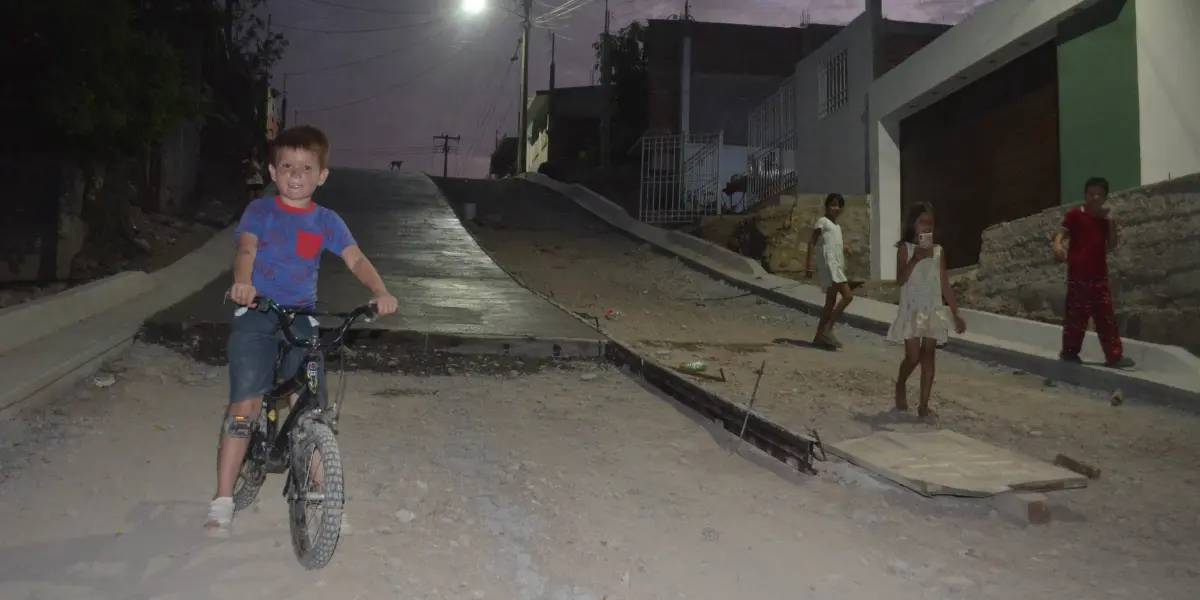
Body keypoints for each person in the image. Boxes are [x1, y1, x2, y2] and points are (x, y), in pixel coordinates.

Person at [205, 125, 399, 537]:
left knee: (312, 406)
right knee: (245, 407)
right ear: (273, 171)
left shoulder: (327, 221)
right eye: (288, 166)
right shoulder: (260, 212)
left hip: (300, 315)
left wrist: (379, 290)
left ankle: (323, 496)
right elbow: (246, 250)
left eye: (306, 168)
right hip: (257, 310)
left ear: (322, 175)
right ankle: (222, 498)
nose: (296, 175)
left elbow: (355, 258)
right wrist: (244, 282)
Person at [887, 202, 966, 422]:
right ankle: (901, 383)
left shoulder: (939, 251)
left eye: (930, 223)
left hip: (932, 309)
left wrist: (955, 312)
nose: (927, 227)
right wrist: (915, 259)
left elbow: (944, 283)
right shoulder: (905, 249)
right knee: (913, 357)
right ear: (912, 224)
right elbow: (899, 281)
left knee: (929, 355)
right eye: (922, 222)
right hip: (912, 310)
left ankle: (923, 406)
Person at [1053, 177, 1134, 368]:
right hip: (1078, 275)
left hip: (1099, 276)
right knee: (1076, 317)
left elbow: (1112, 245)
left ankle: (1114, 356)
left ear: (1105, 197)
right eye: (1091, 194)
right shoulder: (1075, 214)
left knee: (1106, 316)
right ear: (1085, 195)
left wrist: (1111, 222)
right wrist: (1058, 245)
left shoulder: (1105, 220)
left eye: (1099, 194)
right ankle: (1070, 353)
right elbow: (1061, 232)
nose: (1095, 198)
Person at [805, 193, 853, 349]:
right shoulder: (823, 222)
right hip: (830, 265)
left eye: (839, 205)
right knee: (848, 296)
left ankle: (819, 336)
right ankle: (828, 329)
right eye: (833, 204)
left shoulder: (837, 226)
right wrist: (809, 264)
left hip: (837, 264)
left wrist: (844, 247)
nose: (836, 208)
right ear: (826, 206)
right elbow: (812, 243)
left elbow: (833, 242)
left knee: (830, 302)